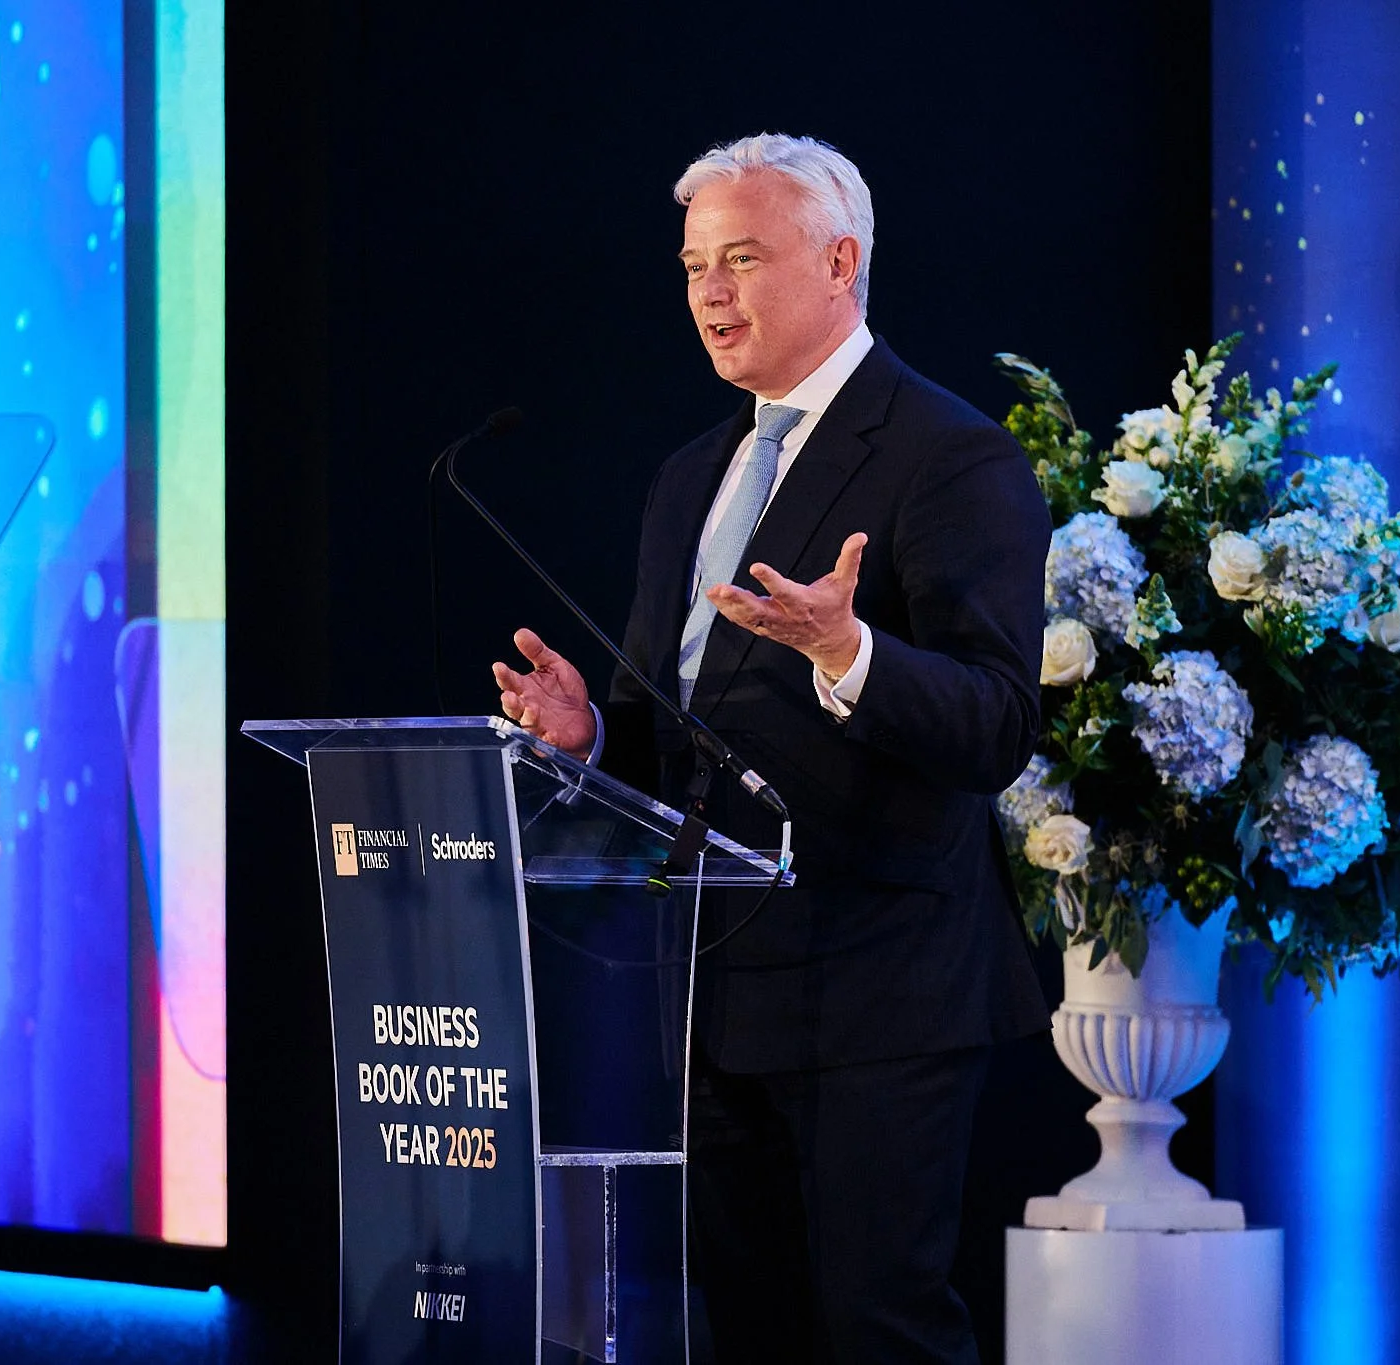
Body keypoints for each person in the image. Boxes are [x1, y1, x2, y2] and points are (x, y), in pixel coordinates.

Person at [492, 134, 1050, 1362]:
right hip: (710, 984)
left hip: (880, 984)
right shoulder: (691, 476)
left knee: (876, 1330)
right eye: (693, 264)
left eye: (741, 258)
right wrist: (591, 735)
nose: (707, 291)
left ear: (840, 262)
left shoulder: (948, 456)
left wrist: (850, 653)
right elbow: (668, 729)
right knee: (744, 1332)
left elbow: (1001, 721)